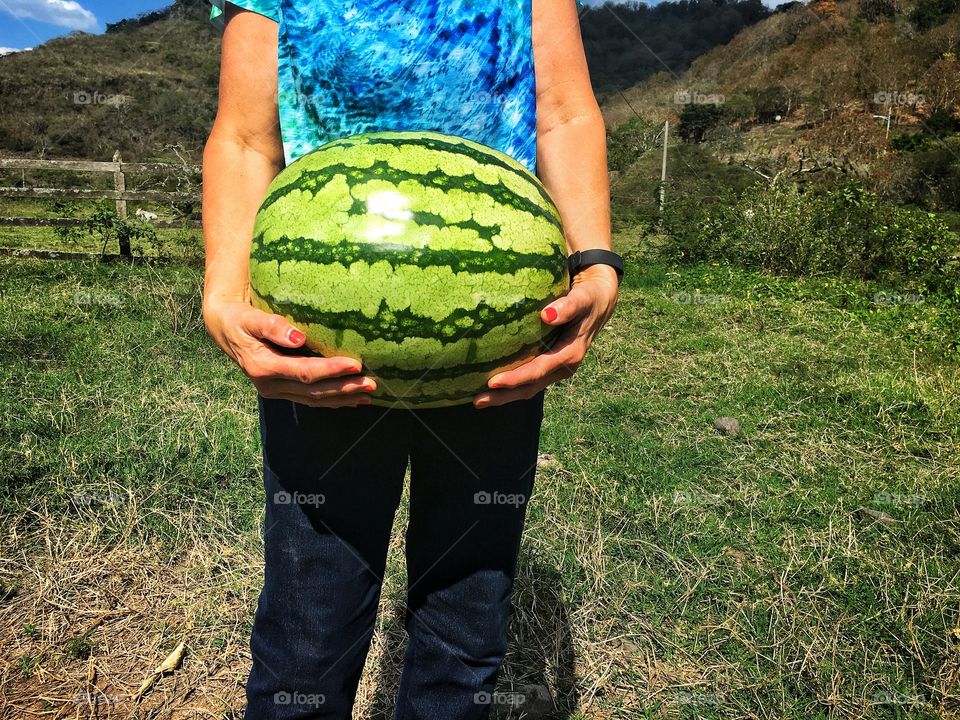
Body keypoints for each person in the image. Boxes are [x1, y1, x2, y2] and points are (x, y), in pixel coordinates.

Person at [201, 1, 621, 718]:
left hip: (495, 344)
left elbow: (565, 115)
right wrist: (222, 294)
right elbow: (244, 138)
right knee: (309, 621)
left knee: (466, 619)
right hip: (319, 346)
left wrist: (597, 264)